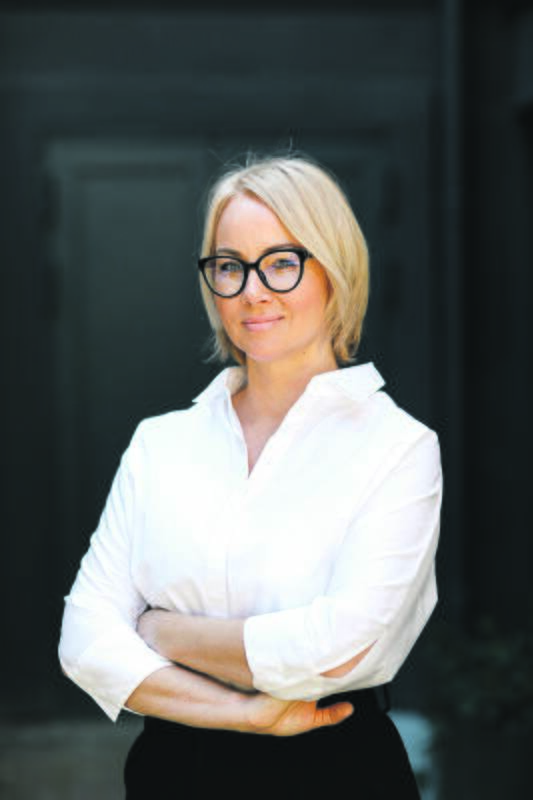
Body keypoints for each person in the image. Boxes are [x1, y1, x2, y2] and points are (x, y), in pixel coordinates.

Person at [58, 153, 443, 799]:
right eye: (230, 266)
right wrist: (246, 713)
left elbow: (341, 649)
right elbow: (84, 643)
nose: (252, 291)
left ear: (334, 270)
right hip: (173, 772)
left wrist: (164, 632)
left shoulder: (397, 447)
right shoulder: (161, 443)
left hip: (334, 769)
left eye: (281, 262)